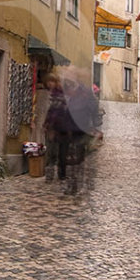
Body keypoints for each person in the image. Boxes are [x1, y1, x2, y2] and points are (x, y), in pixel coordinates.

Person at [59, 67, 99, 195]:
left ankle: (75, 184)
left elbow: (93, 106)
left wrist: (93, 123)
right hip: (67, 129)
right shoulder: (66, 90)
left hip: (81, 128)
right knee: (67, 157)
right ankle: (71, 183)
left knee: (78, 157)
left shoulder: (85, 92)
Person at [41, 71, 66, 181]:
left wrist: (51, 126)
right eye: (47, 83)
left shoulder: (59, 95)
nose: (49, 85)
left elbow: (56, 112)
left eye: (50, 82)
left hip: (59, 127)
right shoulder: (55, 94)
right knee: (56, 152)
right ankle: (56, 175)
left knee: (55, 151)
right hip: (58, 127)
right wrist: (46, 123)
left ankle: (54, 175)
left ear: (55, 82)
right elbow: (51, 111)